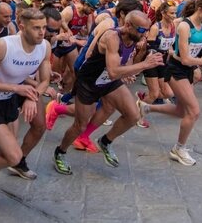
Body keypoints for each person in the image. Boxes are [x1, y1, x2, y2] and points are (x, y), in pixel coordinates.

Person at [53, 11, 162, 175]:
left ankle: (105, 141)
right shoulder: (112, 37)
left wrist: (129, 72)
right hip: (89, 82)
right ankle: (60, 152)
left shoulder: (134, 38)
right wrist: (144, 65)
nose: (144, 34)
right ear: (127, 25)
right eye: (141, 30)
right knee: (80, 125)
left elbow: (126, 60)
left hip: (109, 82)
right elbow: (113, 71)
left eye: (146, 30)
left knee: (133, 115)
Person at [0, 9, 51, 204]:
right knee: (14, 156)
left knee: (7, 152)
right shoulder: (3, 45)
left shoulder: (45, 46)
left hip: (11, 100)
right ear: (22, 27)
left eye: (44, 27)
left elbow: (45, 80)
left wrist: (33, 96)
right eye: (36, 28)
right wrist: (17, 88)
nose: (42, 32)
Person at [138, 0, 202, 166]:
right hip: (176, 70)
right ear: (200, 10)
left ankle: (147, 107)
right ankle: (178, 148)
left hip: (188, 70)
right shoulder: (184, 26)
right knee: (194, 111)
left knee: (181, 111)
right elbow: (186, 59)